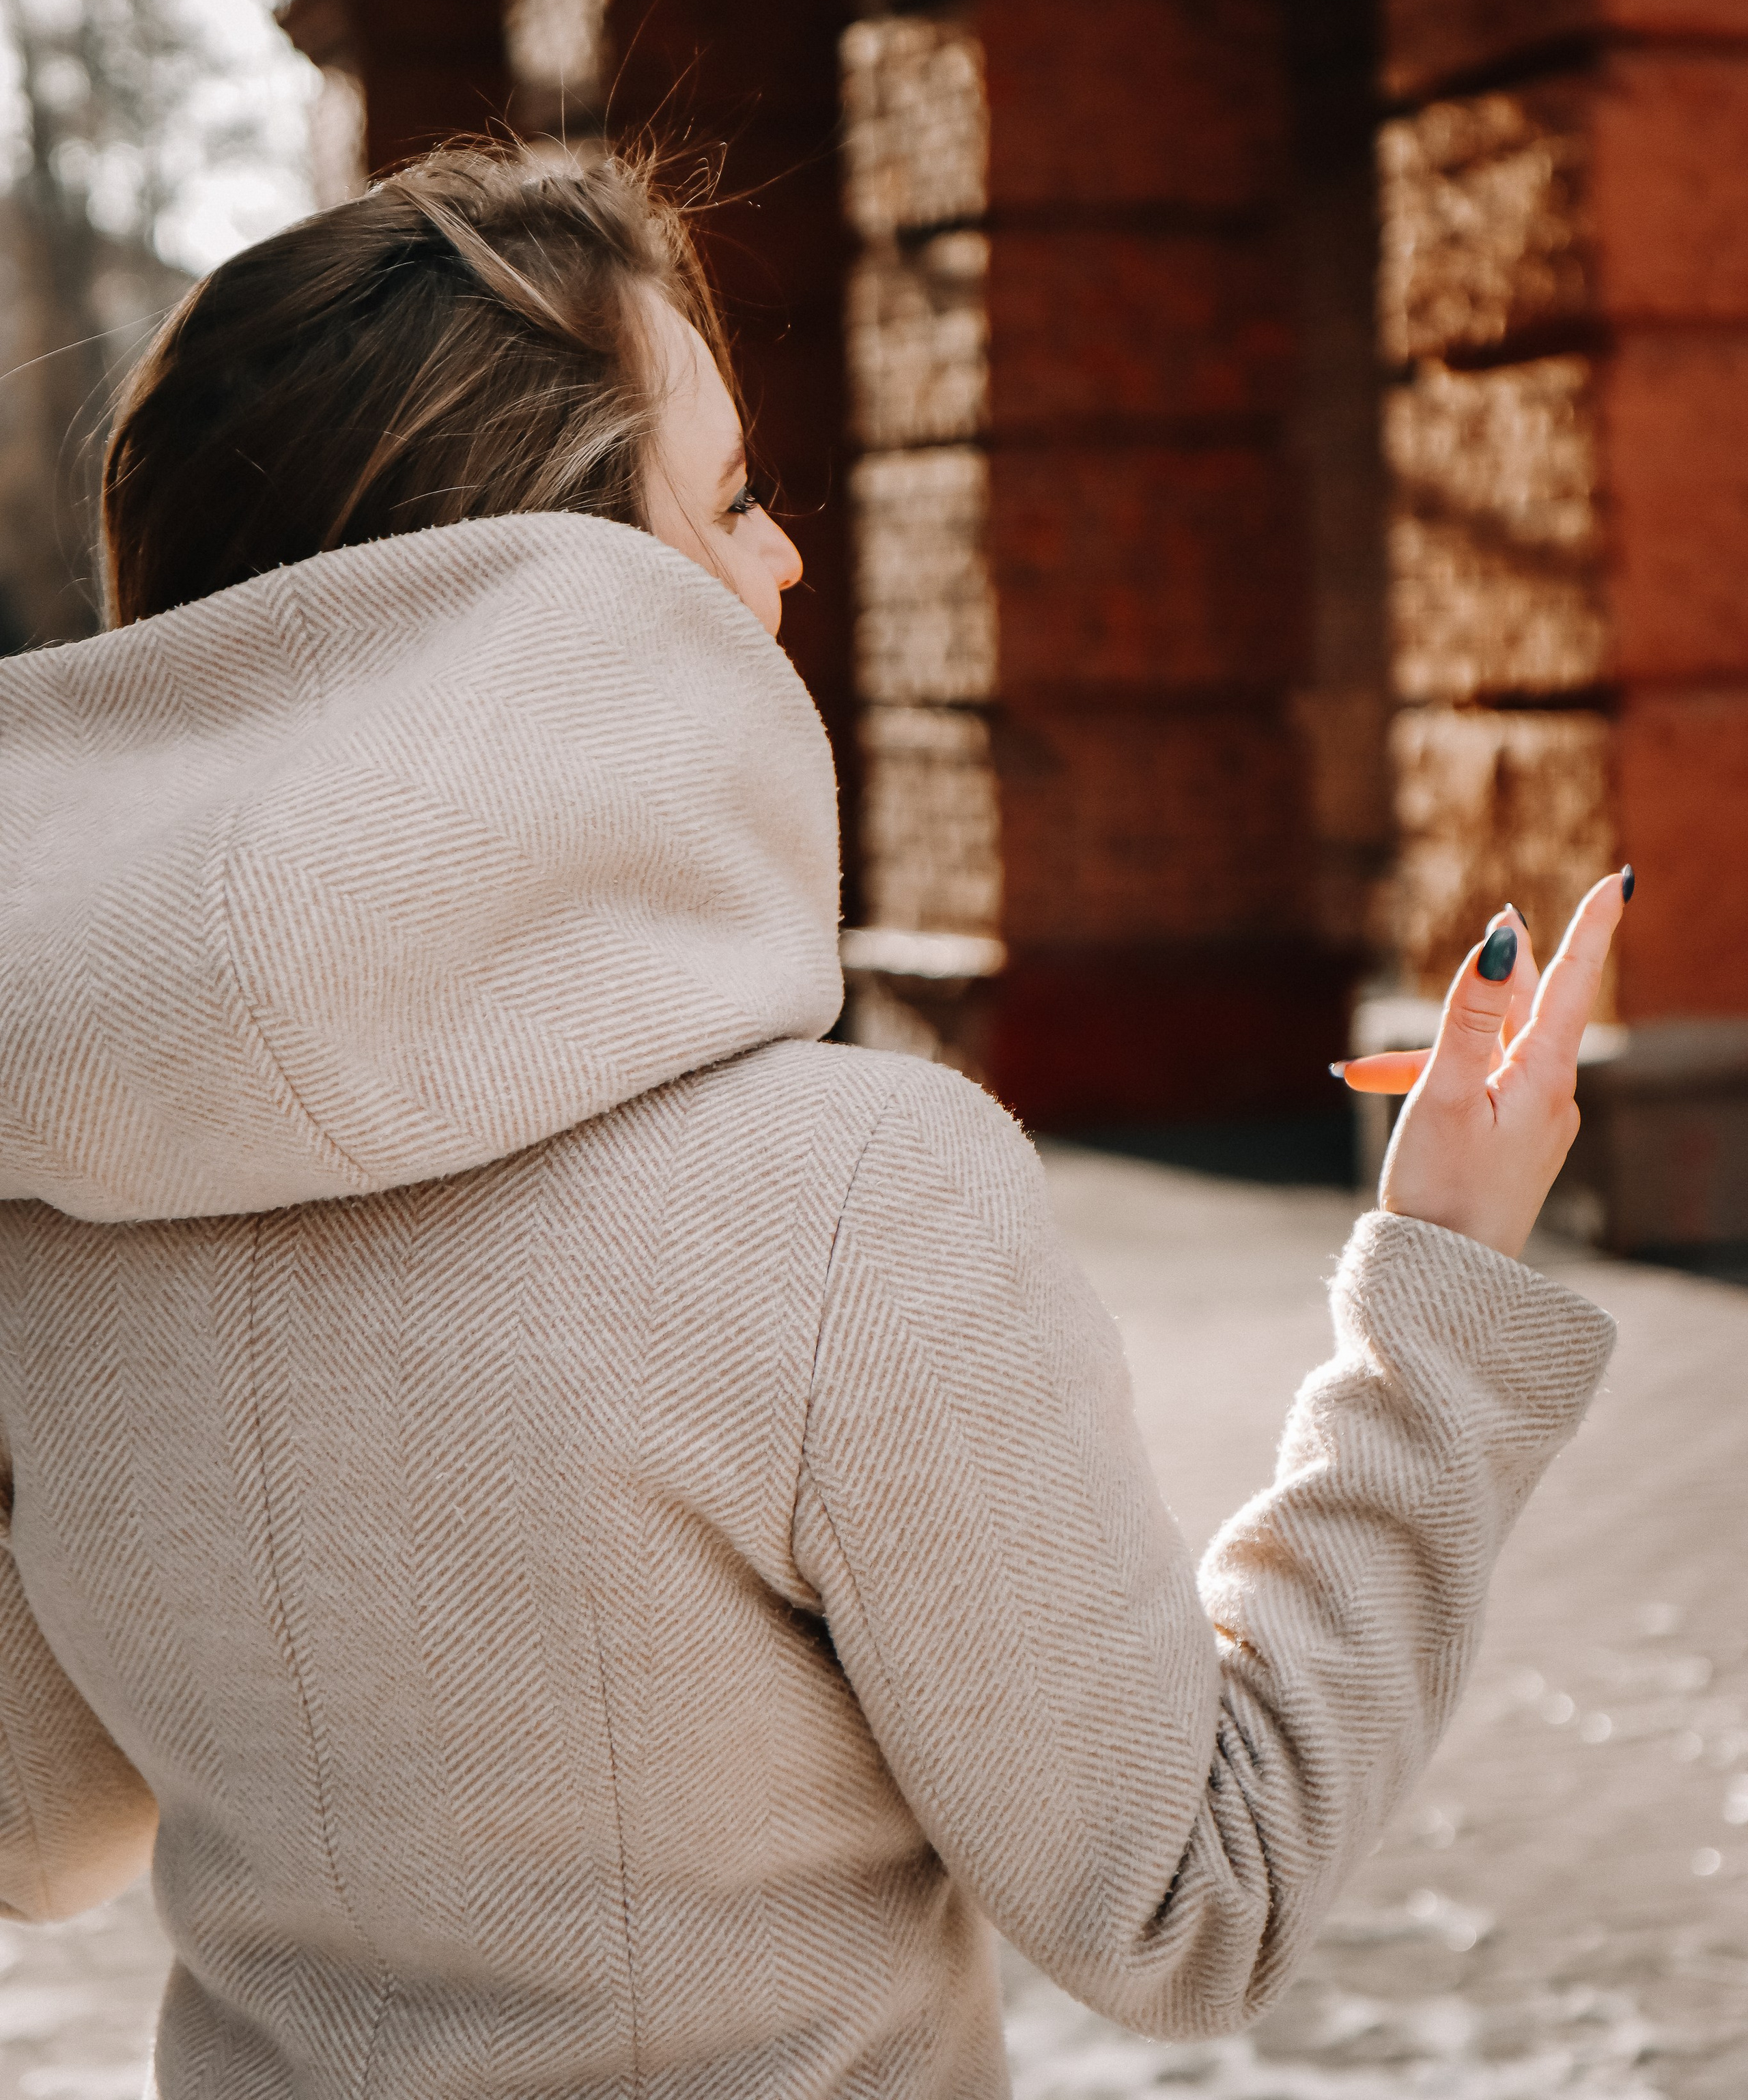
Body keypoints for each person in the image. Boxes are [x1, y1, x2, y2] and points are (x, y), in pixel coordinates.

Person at [0, 143, 1624, 2099]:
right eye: (737, 496)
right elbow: (1196, 1897)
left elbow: (41, 1825)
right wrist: (1439, 1293)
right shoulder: (855, 1200)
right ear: (550, 601)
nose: (786, 560)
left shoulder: (58, 1217)